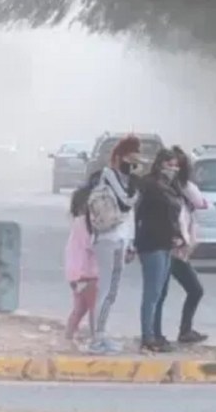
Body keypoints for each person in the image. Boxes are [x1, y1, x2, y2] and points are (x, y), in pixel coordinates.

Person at [88, 135, 141, 354]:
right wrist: (136, 187)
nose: (133, 163)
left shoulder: (128, 180)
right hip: (108, 239)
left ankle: (102, 334)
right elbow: (125, 202)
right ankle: (96, 339)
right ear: (120, 157)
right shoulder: (109, 175)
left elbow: (131, 215)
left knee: (112, 292)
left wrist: (131, 243)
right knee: (105, 290)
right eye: (130, 157)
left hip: (121, 239)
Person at [134, 148, 186, 352]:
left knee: (160, 292)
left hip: (166, 243)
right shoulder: (149, 185)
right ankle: (148, 336)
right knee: (152, 292)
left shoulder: (170, 186)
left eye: (175, 165)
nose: (172, 169)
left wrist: (179, 237)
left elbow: (174, 215)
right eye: (169, 164)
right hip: (151, 243)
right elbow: (138, 214)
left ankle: (156, 334)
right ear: (160, 164)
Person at [157, 145, 208, 344]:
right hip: (172, 247)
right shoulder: (180, 187)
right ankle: (166, 333)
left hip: (177, 245)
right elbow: (200, 201)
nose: (175, 170)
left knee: (163, 292)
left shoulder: (176, 188)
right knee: (192, 289)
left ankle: (178, 331)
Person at [63, 185, 98, 351]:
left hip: (77, 273)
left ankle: (68, 337)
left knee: (80, 308)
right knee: (94, 308)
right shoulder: (85, 223)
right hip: (88, 273)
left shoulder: (78, 222)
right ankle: (97, 338)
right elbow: (91, 246)